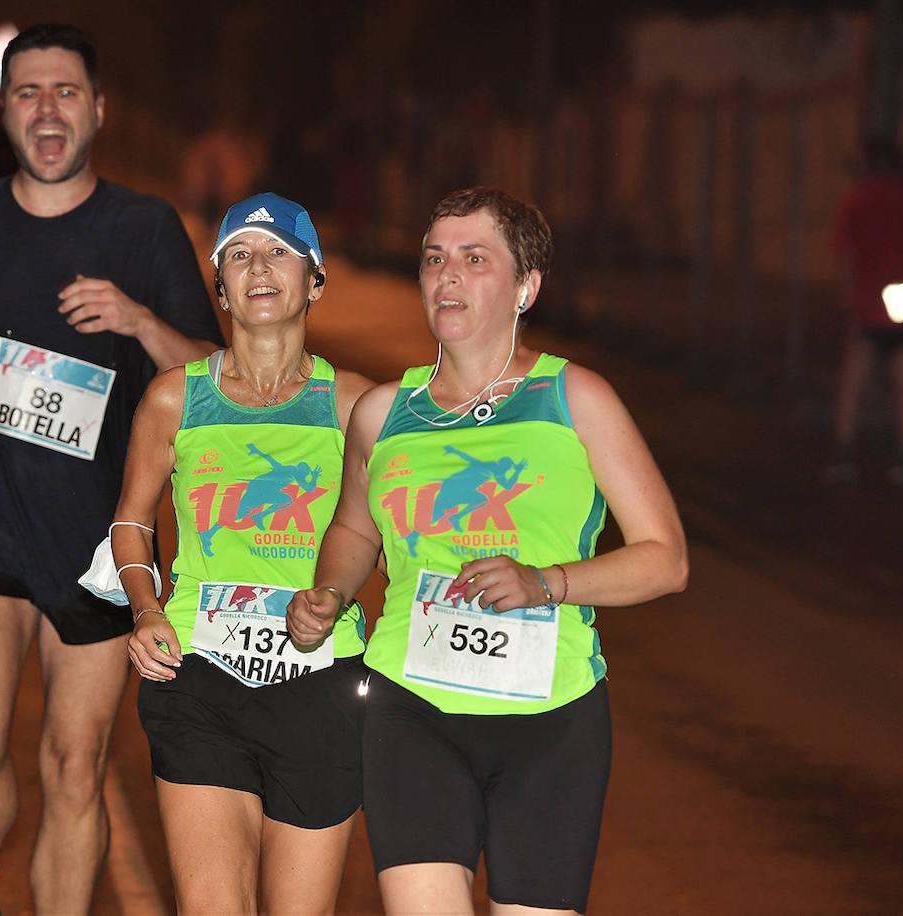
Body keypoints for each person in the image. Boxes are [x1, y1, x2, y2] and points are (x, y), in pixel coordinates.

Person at [0, 24, 222, 916]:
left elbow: (218, 384)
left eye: (65, 91)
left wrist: (138, 321)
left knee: (75, 762)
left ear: (98, 110)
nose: (47, 109)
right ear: (5, 112)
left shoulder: (144, 229)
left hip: (101, 537)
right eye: (28, 93)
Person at [287, 187, 689, 915]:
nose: (448, 276)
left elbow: (666, 558)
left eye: (476, 259)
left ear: (525, 286)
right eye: (435, 259)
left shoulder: (577, 399)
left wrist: (547, 582)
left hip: (550, 719)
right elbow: (354, 528)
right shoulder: (385, 413)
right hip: (411, 709)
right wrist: (330, 592)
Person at [111, 192, 374, 913]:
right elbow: (131, 522)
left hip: (320, 687)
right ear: (219, 284)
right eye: (238, 255)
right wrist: (143, 608)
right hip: (199, 676)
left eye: (278, 252)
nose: (258, 267)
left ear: (314, 279)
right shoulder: (175, 399)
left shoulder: (356, 407)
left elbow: (385, 542)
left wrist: (336, 595)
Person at [827, 138, 903, 485]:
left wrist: (847, 303)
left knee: (853, 378)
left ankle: (844, 452)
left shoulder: (856, 201)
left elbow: (847, 257)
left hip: (868, 303)